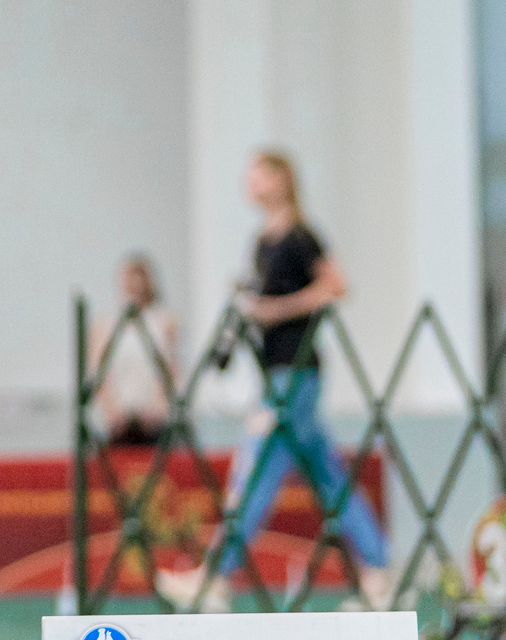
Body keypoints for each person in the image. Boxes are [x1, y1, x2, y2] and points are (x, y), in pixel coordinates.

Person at [160, 151, 390, 613]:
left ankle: (217, 575)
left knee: (258, 468)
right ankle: (380, 568)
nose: (250, 183)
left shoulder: (302, 237)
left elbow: (336, 286)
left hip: (297, 372)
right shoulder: (260, 243)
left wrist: (276, 310)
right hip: (273, 373)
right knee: (327, 475)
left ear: (283, 180)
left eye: (260, 174)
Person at [90, 253, 178, 446]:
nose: (135, 285)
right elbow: (98, 374)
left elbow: (172, 371)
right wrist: (112, 411)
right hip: (117, 422)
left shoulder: (164, 323)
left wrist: (158, 409)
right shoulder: (106, 327)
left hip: (154, 421)